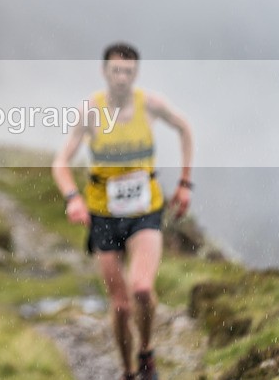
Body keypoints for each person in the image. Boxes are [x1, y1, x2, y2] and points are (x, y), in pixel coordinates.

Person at [52, 43, 193, 380]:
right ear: (105, 72)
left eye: (128, 71)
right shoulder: (91, 111)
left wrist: (185, 182)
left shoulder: (151, 105)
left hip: (145, 210)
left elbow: (185, 128)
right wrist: (73, 197)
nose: (121, 77)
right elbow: (60, 162)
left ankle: (146, 353)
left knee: (142, 288)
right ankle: (128, 370)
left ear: (135, 74)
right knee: (120, 304)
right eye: (116, 70)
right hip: (104, 215)